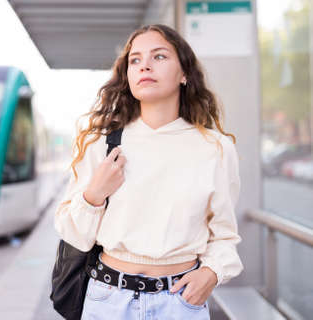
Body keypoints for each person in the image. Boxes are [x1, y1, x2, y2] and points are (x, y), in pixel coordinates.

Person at [54, 24, 243, 320]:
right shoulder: (101, 144)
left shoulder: (214, 148)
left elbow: (224, 234)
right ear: (128, 76)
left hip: (180, 301)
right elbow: (72, 233)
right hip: (107, 300)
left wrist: (211, 272)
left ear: (184, 74)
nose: (145, 66)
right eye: (136, 60)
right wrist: (94, 195)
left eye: (159, 57)